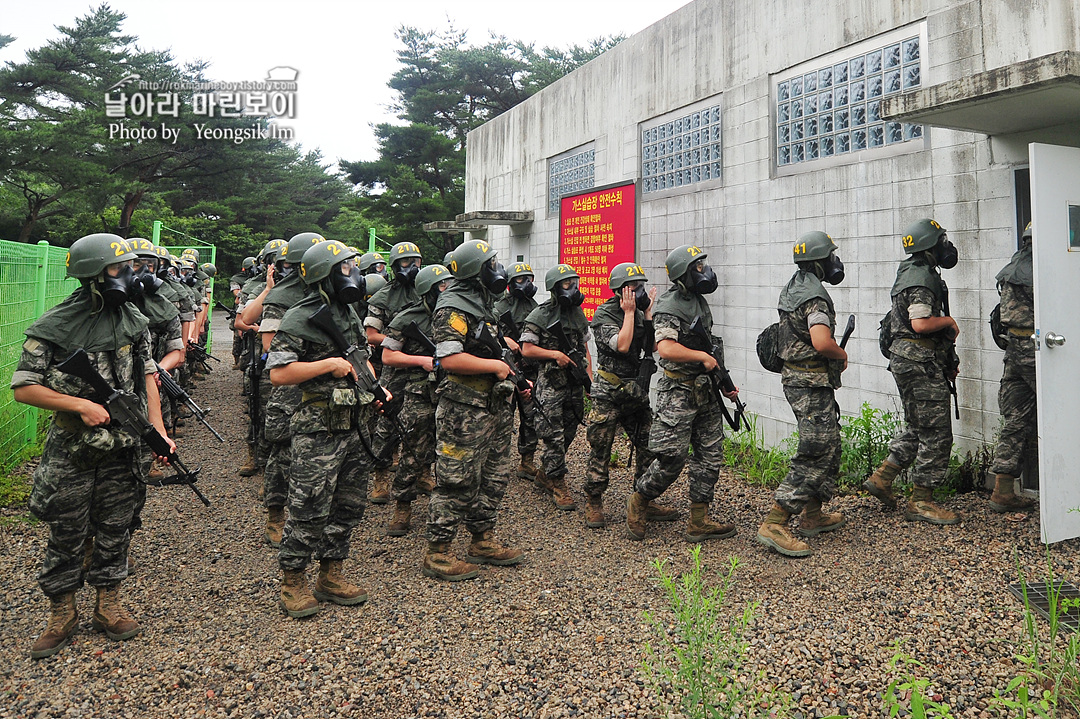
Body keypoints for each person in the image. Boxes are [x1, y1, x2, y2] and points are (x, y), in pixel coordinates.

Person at [12, 233, 175, 658]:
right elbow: (24, 388)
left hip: (123, 448)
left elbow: (148, 378)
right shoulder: (54, 327)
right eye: (119, 269)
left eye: (131, 267)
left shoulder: (134, 321)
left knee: (116, 527)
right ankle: (61, 612)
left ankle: (108, 605)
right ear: (92, 274)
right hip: (73, 450)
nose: (130, 275)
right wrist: (79, 403)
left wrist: (157, 431)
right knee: (66, 530)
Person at [267, 240, 377, 617]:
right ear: (324, 274)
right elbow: (280, 372)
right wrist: (327, 365)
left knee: (349, 503)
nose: (353, 274)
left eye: (352, 267)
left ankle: (331, 574)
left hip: (354, 424)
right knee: (310, 505)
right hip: (317, 430)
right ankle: (293, 579)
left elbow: (360, 357)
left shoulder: (348, 312)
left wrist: (375, 387)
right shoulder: (301, 316)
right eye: (345, 268)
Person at [423, 240, 524, 581]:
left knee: (494, 476)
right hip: (464, 409)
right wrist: (494, 367)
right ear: (474, 270)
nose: (497, 267)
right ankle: (438, 552)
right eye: (490, 262)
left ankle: (482, 540)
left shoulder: (483, 302)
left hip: (493, 406)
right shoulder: (452, 306)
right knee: (457, 480)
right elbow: (449, 358)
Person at [626, 244, 738, 542]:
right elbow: (666, 348)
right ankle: (639, 501)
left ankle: (698, 521)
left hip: (706, 391)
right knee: (671, 458)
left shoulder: (698, 302)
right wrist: (702, 359)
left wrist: (724, 382)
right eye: (698, 267)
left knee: (710, 457)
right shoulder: (669, 305)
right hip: (678, 393)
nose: (705, 271)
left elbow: (709, 347)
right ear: (683, 273)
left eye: (704, 265)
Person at [756, 232, 848, 558]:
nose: (836, 261)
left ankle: (813, 514)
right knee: (815, 449)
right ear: (821, 259)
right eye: (832, 255)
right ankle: (776, 521)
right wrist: (840, 355)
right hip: (808, 381)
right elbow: (821, 341)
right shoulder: (815, 297)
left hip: (801, 379)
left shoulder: (795, 285)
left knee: (829, 444)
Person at [864, 219, 961, 524]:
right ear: (929, 246)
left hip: (908, 359)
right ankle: (921, 501)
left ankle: (883, 477)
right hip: (919, 361)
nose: (946, 245)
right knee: (937, 432)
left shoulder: (909, 271)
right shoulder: (920, 278)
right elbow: (920, 324)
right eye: (941, 240)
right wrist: (949, 323)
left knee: (919, 427)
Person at [245, 233, 325, 546]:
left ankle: (312, 513)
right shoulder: (281, 296)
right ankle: (275, 514)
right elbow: (270, 349)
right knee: (283, 453)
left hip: (323, 386)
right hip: (291, 388)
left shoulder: (329, 294)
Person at [584, 263, 677, 528]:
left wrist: (647, 316)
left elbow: (651, 348)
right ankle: (594, 499)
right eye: (635, 288)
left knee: (648, 444)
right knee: (601, 447)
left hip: (634, 392)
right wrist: (629, 312)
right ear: (621, 291)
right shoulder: (604, 314)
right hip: (609, 393)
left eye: (641, 287)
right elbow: (623, 345)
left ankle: (644, 497)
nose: (641, 291)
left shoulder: (638, 313)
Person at [381, 264, 452, 536]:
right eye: (443, 285)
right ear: (429, 290)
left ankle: (446, 508)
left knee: (450, 451)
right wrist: (420, 360)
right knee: (412, 450)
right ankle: (403, 505)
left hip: (450, 391)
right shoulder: (408, 318)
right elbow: (388, 356)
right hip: (419, 394)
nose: (448, 290)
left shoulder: (456, 315)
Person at [520, 264, 594, 511]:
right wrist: (554, 355)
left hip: (574, 383)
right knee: (553, 435)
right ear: (554, 288)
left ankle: (545, 472)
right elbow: (526, 349)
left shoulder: (577, 313)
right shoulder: (540, 315)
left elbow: (584, 349)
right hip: (551, 384)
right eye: (566, 284)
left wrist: (588, 379)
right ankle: (557, 482)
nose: (573, 288)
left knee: (571, 430)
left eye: (575, 282)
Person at [364, 241, 423, 504]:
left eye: (417, 262)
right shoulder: (383, 297)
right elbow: (372, 335)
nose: (413, 267)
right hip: (394, 368)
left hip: (422, 367)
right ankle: (380, 476)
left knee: (424, 423)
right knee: (387, 423)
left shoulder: (427, 291)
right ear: (395, 266)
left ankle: (422, 472)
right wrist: (399, 340)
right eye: (406, 262)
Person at [989, 223, 1037, 512]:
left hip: (1014, 350)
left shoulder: (1012, 267)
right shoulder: (1042, 268)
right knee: (1066, 414)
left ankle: (1003, 490)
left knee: (1016, 421)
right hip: (1037, 349)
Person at [494, 262, 541, 483]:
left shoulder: (535, 306)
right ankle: (498, 463)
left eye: (529, 279)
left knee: (530, 416)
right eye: (521, 280)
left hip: (530, 369)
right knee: (503, 416)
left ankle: (527, 459)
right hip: (506, 369)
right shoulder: (498, 306)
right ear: (510, 283)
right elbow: (484, 331)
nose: (527, 284)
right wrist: (505, 340)